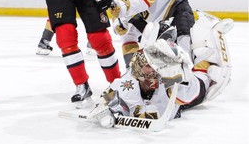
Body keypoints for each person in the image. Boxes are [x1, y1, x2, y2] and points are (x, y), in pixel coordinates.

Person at [85, 11, 233, 128]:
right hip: (170, 84)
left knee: (204, 70)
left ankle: (209, 62)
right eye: (149, 68)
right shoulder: (129, 80)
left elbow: (166, 107)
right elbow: (108, 97)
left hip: (185, 90)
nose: (153, 74)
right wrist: (108, 106)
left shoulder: (170, 77)